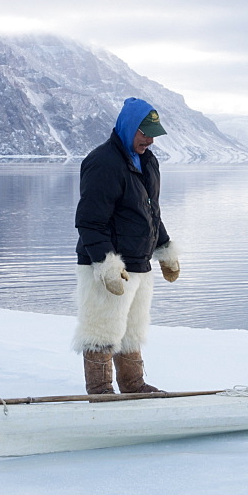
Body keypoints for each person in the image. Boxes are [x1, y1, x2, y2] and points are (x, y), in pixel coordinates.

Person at [73, 98, 180, 395]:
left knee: (132, 330)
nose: (150, 139)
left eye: (153, 132)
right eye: (144, 132)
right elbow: (89, 221)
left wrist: (165, 250)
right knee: (101, 331)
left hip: (139, 265)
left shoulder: (148, 162)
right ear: (128, 126)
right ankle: (100, 391)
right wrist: (106, 266)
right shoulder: (103, 162)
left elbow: (149, 213)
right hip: (106, 265)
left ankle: (134, 385)